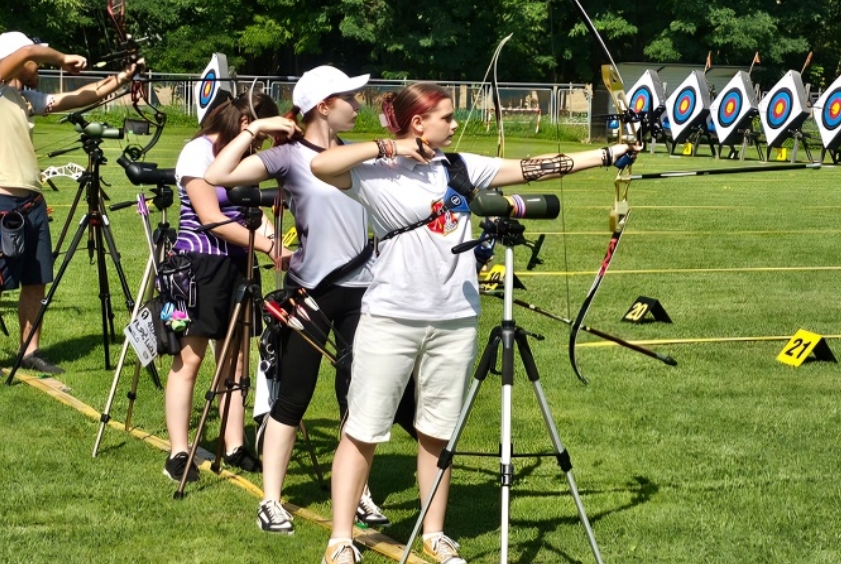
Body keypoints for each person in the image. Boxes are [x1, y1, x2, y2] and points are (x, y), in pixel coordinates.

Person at [310, 83, 639, 564]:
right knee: (364, 428)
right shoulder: (375, 173)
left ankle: (434, 534)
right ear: (418, 123)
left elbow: (532, 168)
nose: (454, 123)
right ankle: (340, 538)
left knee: (438, 430)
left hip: (455, 316)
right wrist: (391, 146)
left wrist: (611, 153)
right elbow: (321, 164)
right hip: (391, 315)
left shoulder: (459, 166)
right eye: (445, 116)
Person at [204, 66, 414, 533]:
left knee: (360, 398)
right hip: (311, 293)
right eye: (349, 99)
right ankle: (272, 500)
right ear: (324, 105)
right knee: (293, 397)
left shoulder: (360, 155)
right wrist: (257, 129)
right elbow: (217, 174)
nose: (357, 106)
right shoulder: (287, 157)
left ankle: (358, 491)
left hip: (365, 292)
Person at [0, 31, 140, 378]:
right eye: (33, 60)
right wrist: (63, 58)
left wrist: (126, 75)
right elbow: (32, 51)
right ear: (16, 57)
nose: (38, 65)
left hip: (32, 200)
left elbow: (77, 98)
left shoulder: (23, 97)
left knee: (35, 281)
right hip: (0, 200)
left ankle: (30, 350)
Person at [162, 92, 291, 484]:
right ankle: (178, 451)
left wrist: (275, 241)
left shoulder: (241, 157)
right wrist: (270, 245)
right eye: (256, 138)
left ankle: (234, 443)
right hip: (197, 267)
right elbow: (211, 217)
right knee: (190, 359)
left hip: (239, 264)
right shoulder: (197, 153)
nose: (257, 149)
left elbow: (250, 217)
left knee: (234, 361)